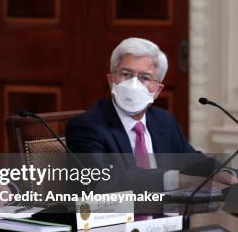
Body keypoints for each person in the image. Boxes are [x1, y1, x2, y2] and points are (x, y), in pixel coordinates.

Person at [66, 37, 237, 193]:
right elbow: (104, 182)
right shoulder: (87, 126)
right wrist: (178, 180)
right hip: (117, 222)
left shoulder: (163, 121)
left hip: (168, 221)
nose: (133, 84)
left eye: (144, 77)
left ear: (157, 90)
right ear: (111, 81)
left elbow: (191, 160)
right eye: (126, 74)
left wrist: (222, 172)